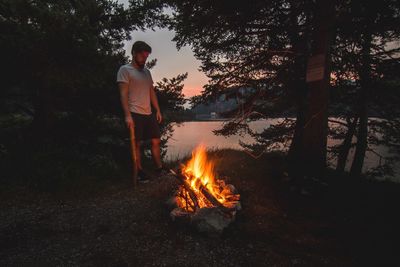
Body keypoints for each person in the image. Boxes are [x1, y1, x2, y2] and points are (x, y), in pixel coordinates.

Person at [117, 41, 165, 182]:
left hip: (148, 113)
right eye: (142, 56)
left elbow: (151, 91)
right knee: (137, 144)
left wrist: (157, 110)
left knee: (156, 141)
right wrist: (127, 116)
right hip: (134, 112)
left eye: (146, 57)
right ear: (134, 53)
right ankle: (139, 172)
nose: (145, 59)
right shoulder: (124, 70)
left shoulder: (146, 72)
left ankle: (159, 169)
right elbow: (123, 94)